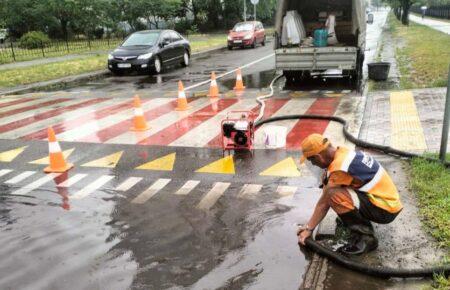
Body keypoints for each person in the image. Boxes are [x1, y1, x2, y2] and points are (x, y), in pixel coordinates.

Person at [297, 134, 403, 255]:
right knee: (328, 183)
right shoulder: (342, 153)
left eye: (311, 160)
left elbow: (324, 202)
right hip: (387, 201)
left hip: (385, 210)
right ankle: (352, 220)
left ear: (318, 157)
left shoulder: (340, 167)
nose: (313, 164)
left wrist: (308, 229)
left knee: (333, 195)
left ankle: (366, 238)